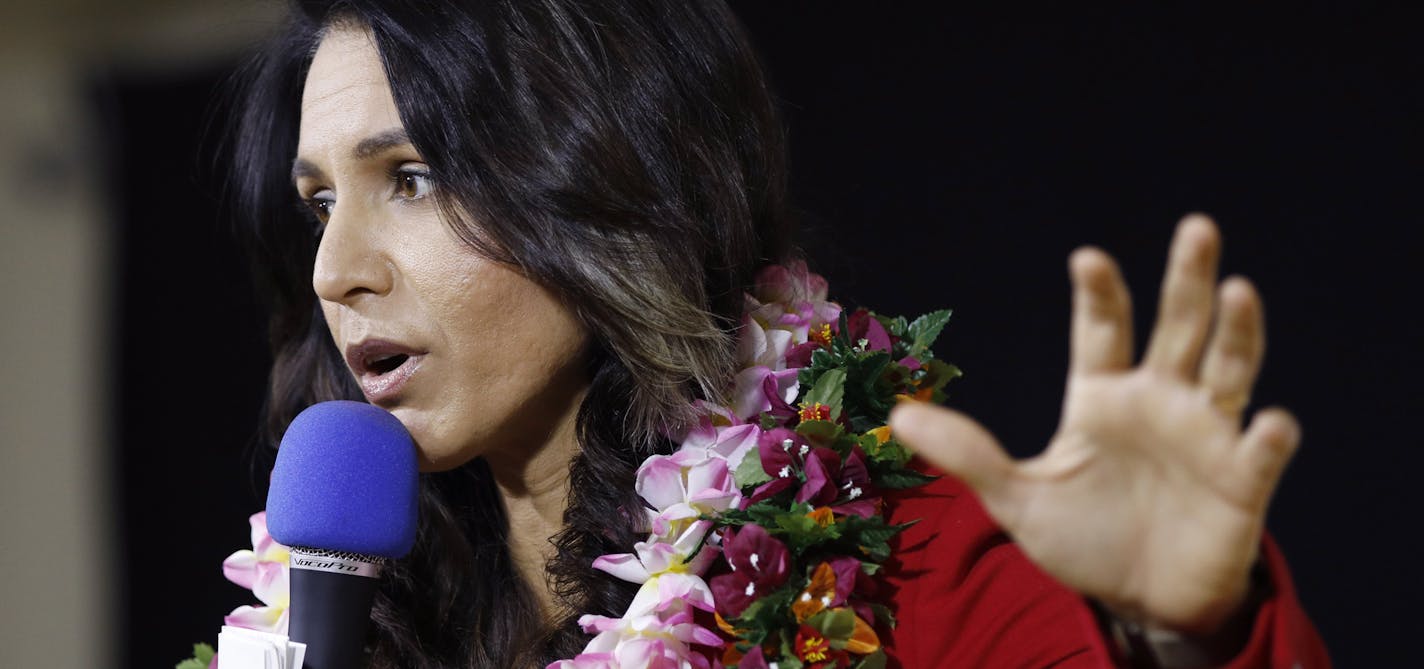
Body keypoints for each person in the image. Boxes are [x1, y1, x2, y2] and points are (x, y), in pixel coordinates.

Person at [226, 1, 1328, 667]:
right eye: (320, 203)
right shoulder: (341, 611)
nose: (336, 272)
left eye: (411, 179)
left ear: (608, 180)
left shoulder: (916, 562)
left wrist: (1195, 643)